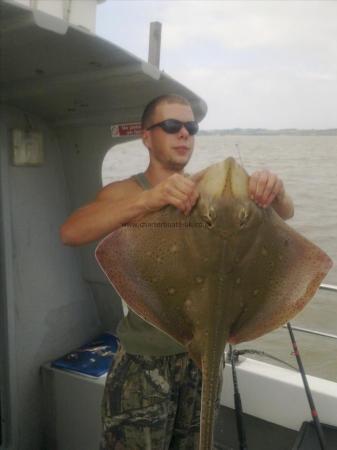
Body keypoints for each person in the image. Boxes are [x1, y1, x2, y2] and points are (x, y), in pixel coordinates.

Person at [60, 94, 294, 449]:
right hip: (145, 361)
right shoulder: (129, 191)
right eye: (171, 126)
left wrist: (275, 191)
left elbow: (285, 216)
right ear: (146, 136)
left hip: (203, 359)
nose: (184, 134)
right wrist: (150, 200)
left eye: (191, 127)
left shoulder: (209, 190)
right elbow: (72, 232)